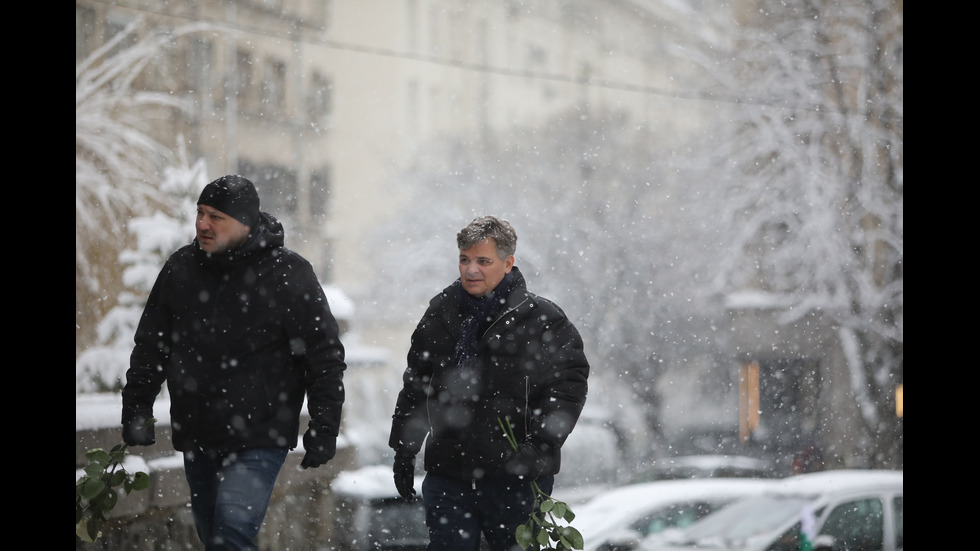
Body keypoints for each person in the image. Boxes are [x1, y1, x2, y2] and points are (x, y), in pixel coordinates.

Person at [121, 174, 347, 551]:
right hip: (199, 432)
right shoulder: (181, 269)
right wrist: (137, 407)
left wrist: (325, 426)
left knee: (231, 534)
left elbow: (323, 356)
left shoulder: (289, 274)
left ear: (246, 222)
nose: (203, 224)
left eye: (216, 216)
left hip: (260, 434)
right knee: (215, 537)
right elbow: (151, 346)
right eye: (200, 213)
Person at [388, 215, 590, 551]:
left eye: (483, 261)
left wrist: (538, 448)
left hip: (516, 480)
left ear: (508, 263)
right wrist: (404, 449)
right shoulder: (441, 313)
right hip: (449, 475)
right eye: (465, 260)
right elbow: (417, 385)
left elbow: (568, 387)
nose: (471, 270)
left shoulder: (542, 319)